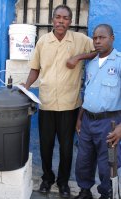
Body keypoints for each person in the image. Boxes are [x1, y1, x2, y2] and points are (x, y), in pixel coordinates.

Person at [22, 4, 96, 198]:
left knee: (66, 147)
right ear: (53, 19)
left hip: (69, 105)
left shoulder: (80, 40)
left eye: (65, 18)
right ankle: (47, 179)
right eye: (58, 17)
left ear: (70, 21)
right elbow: (35, 68)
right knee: (45, 145)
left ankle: (63, 182)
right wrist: (26, 87)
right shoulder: (43, 42)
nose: (61, 21)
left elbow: (98, 50)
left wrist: (79, 57)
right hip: (46, 103)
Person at [75, 24, 121, 199]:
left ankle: (107, 194)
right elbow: (86, 93)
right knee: (84, 160)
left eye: (102, 37)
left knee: (107, 163)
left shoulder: (119, 62)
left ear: (112, 38)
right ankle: (84, 191)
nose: (97, 41)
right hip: (87, 121)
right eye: (95, 38)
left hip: (109, 123)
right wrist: (79, 119)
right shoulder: (91, 64)